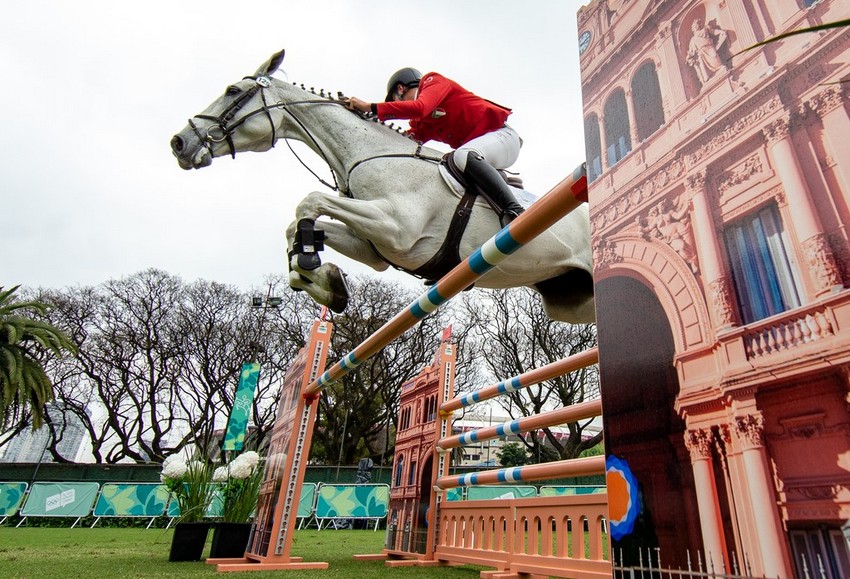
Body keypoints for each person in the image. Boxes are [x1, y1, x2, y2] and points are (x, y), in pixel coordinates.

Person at [345, 68, 525, 225]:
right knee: (449, 166)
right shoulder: (422, 123)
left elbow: (420, 107)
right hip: (483, 153)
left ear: (401, 89)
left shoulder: (433, 81)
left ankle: (514, 210)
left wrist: (370, 107)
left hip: (503, 137)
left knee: (460, 156)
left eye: (396, 101)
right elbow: (404, 142)